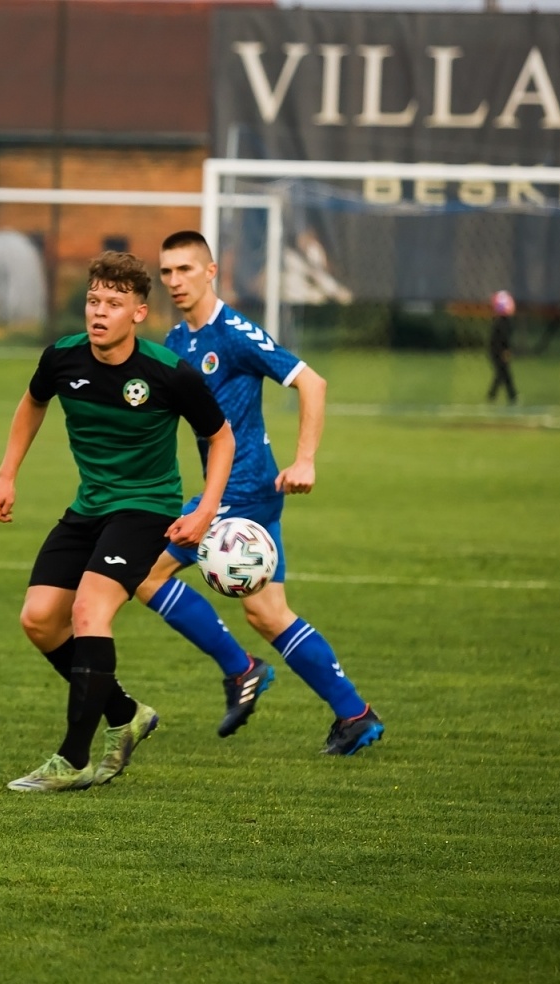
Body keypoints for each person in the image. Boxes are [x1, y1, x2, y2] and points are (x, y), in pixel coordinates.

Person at [0, 252, 234, 792]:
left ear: (139, 314)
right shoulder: (63, 358)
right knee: (39, 620)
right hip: (90, 507)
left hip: (148, 509)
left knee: (89, 608)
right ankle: (126, 713)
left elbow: (221, 437)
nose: (99, 312)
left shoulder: (168, 373)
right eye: (94, 301)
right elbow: (32, 403)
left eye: (114, 304)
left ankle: (73, 759)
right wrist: (6, 475)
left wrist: (205, 509)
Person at [131, 230, 383, 757]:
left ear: (210, 271)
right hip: (240, 491)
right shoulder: (179, 341)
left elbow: (311, 382)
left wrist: (306, 459)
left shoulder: (234, 333)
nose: (174, 281)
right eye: (167, 272)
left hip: (242, 491)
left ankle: (241, 669)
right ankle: (355, 715)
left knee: (142, 572)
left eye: (184, 270)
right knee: (269, 614)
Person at [486, 290, 517, 405]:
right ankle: (511, 396)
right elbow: (502, 339)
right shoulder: (503, 322)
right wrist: (505, 351)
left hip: (495, 351)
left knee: (501, 374)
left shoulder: (500, 322)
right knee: (503, 373)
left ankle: (494, 395)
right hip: (498, 352)